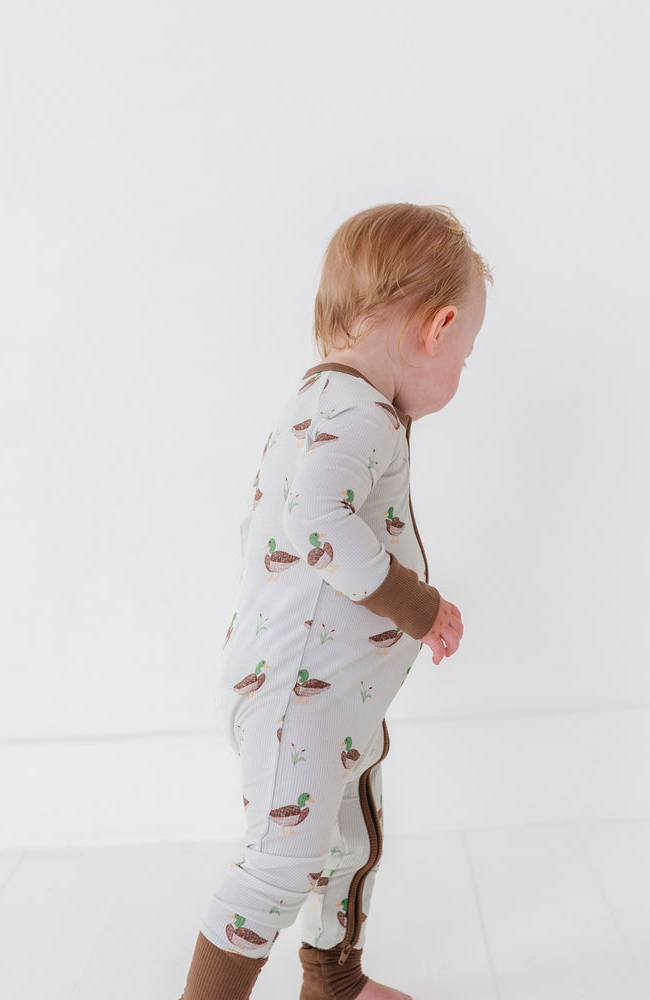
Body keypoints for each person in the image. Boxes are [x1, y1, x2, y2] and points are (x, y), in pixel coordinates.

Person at [178, 202, 492, 1000]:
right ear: (438, 329)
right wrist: (415, 605)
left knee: (348, 843)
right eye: (466, 356)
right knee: (280, 863)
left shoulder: (335, 405)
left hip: (333, 697)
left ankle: (334, 983)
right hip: (297, 698)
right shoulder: (354, 414)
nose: (460, 373)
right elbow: (314, 520)